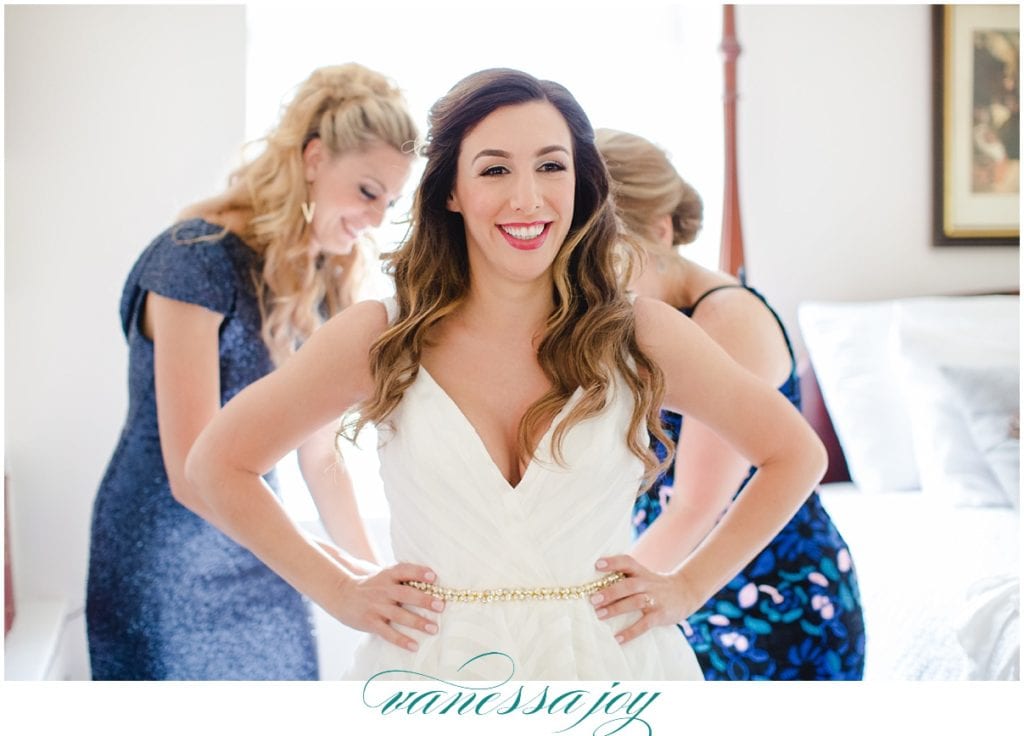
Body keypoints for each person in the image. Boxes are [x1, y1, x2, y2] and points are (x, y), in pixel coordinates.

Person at [184, 68, 827, 682]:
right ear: (452, 192)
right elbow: (217, 463)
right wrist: (340, 591)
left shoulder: (642, 334)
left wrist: (687, 586)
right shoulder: (380, 335)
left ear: (580, 184)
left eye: (551, 166)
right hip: (430, 679)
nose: (528, 197)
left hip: (613, 679)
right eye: (495, 169)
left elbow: (794, 453)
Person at [86, 63, 418, 680]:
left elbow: (321, 458)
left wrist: (375, 579)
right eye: (368, 192)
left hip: (262, 548)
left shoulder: (322, 280)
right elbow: (193, 475)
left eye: (390, 202)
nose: (375, 219)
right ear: (314, 158)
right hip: (165, 560)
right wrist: (337, 584)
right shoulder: (194, 261)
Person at [596, 127, 866, 680]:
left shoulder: (727, 319)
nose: (599, 279)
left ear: (662, 230)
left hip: (770, 603)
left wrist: (579, 612)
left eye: (611, 254)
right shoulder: (636, 320)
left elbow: (697, 504)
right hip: (682, 577)